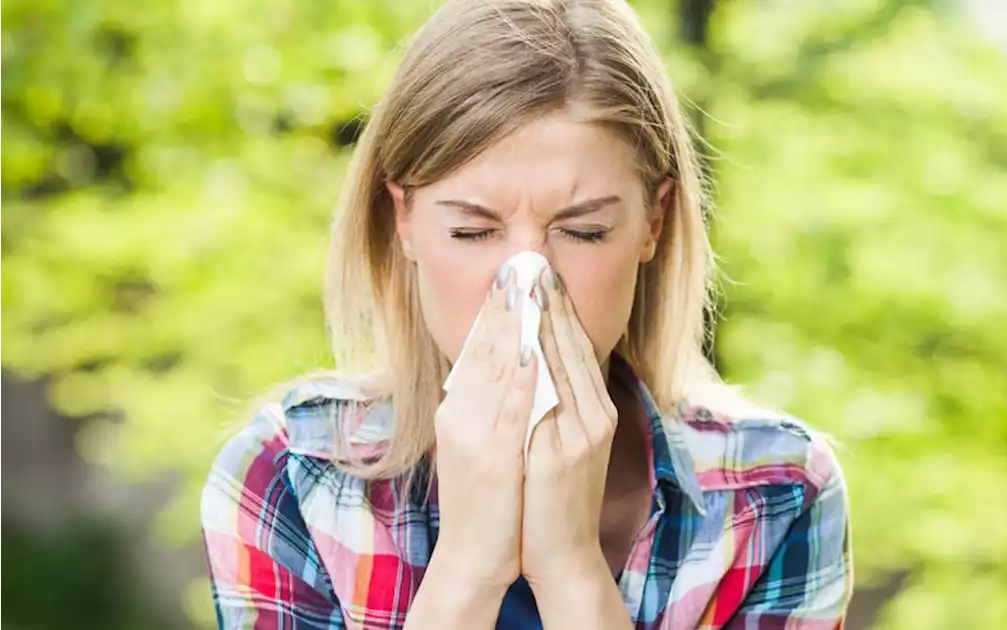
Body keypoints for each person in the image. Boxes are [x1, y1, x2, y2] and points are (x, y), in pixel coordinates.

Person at [198, 0, 853, 627]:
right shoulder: (289, 475)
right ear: (403, 220)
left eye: (584, 230)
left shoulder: (778, 494)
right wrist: (466, 571)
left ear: (653, 222)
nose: (528, 284)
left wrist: (570, 570)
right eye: (473, 232)